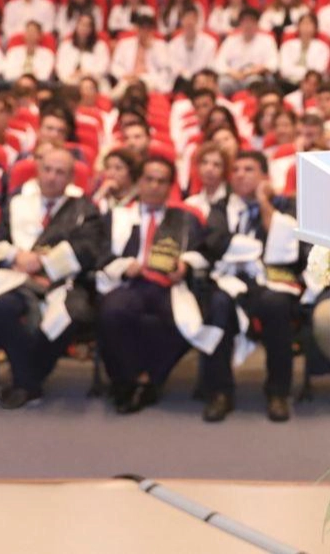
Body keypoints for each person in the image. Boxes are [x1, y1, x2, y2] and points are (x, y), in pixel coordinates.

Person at [93, 154, 230, 413]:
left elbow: (204, 253)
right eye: (149, 179)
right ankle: (126, 381)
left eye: (162, 181)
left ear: (170, 187)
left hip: (170, 287)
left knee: (190, 322)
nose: (155, 186)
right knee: (111, 312)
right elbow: (100, 254)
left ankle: (150, 379)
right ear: (138, 182)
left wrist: (186, 265)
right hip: (130, 284)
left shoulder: (187, 218)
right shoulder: (118, 215)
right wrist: (125, 266)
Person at [0, 145, 108, 409]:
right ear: (38, 171)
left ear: (70, 178)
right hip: (16, 278)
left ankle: (25, 379)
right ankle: (29, 382)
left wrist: (43, 265)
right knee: (2, 307)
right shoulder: (17, 203)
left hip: (65, 281)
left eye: (60, 172)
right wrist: (17, 256)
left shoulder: (85, 207)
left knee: (71, 314)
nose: (51, 177)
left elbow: (88, 249)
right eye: (47, 170)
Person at [198, 150, 304, 423]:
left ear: (264, 177)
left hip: (272, 280)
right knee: (218, 302)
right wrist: (258, 248)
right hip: (230, 279)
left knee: (276, 304)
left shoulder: (283, 204)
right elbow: (216, 242)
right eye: (236, 170)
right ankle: (220, 392)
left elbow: (287, 249)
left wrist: (263, 201)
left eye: (249, 169)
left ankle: (277, 392)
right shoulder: (220, 207)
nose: (240, 175)